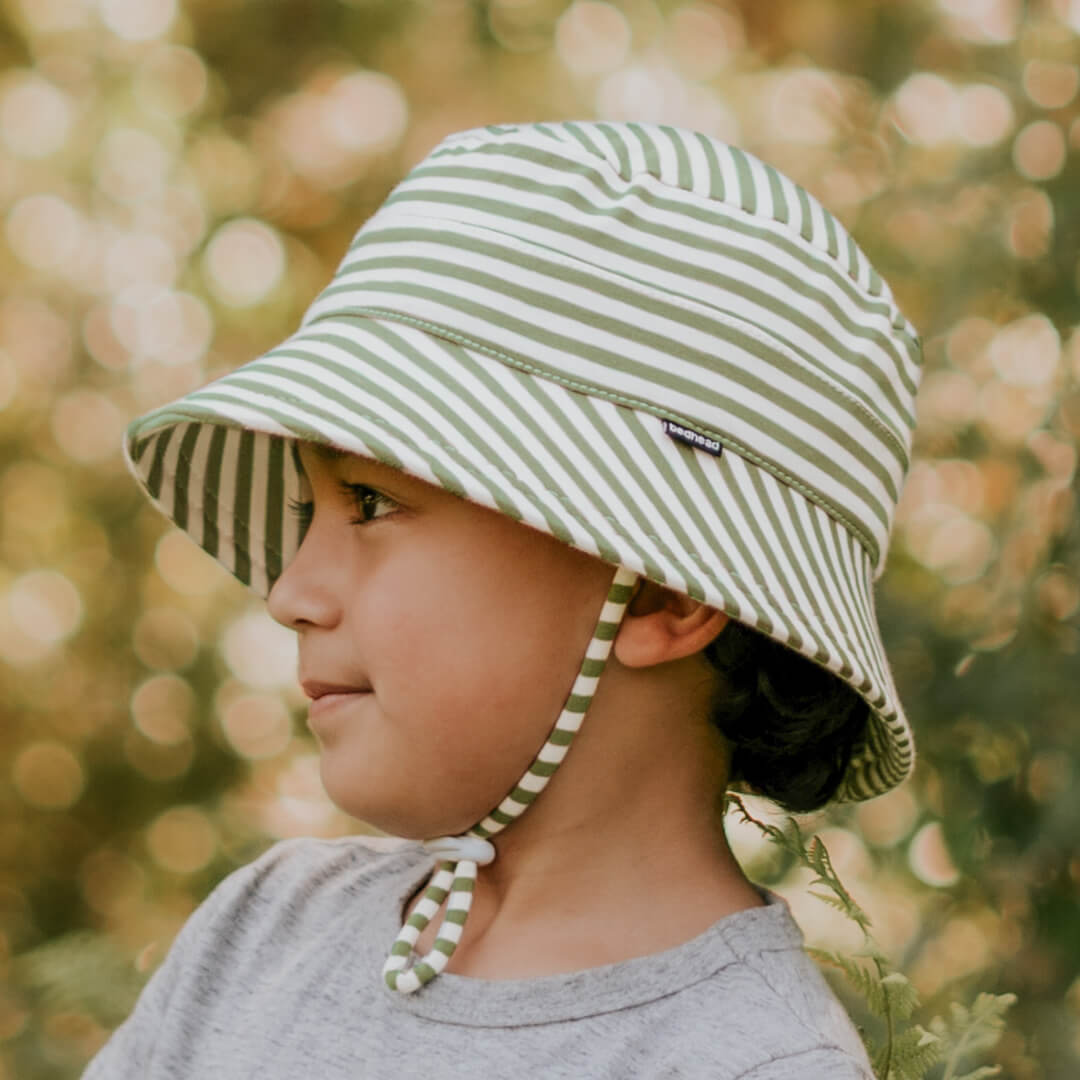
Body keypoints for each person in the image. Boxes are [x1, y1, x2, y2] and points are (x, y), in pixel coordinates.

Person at [83, 120, 921, 1078]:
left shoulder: (751, 1065)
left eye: (369, 502)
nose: (290, 592)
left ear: (663, 594)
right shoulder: (265, 931)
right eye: (303, 508)